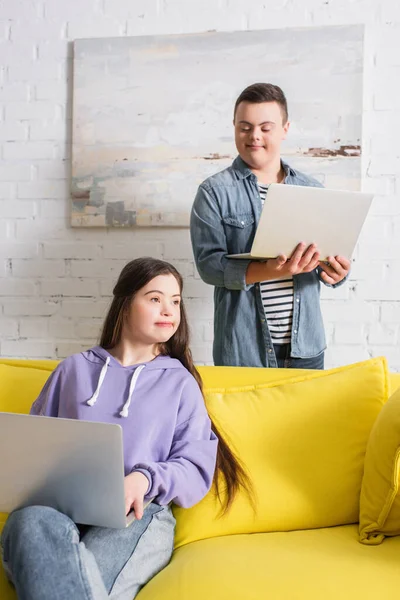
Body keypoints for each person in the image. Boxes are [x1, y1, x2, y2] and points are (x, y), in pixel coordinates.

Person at [1, 257, 249, 600]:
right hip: (58, 511)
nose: (169, 310)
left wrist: (143, 478)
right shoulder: (72, 370)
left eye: (175, 301)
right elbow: (33, 450)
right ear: (125, 304)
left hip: (137, 512)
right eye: (154, 298)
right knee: (29, 522)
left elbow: (194, 466)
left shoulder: (180, 383)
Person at [190, 82, 350, 369]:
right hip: (243, 349)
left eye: (266, 128)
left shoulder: (312, 190)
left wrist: (336, 272)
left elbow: (328, 261)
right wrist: (270, 270)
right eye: (245, 127)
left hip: (306, 348)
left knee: (306, 417)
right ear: (235, 127)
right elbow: (209, 267)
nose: (255, 137)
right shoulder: (213, 192)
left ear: (285, 129)